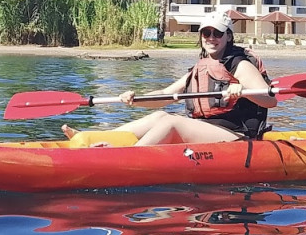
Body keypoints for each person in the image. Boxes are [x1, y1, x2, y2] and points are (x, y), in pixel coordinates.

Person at [62, 12, 277, 146]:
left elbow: (270, 100)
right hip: (207, 130)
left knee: (172, 122)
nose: (211, 38)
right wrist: (136, 99)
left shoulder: (241, 65)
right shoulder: (200, 68)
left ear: (228, 36)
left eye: (217, 33)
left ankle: (123, 158)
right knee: (159, 115)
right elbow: (166, 94)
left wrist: (240, 88)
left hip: (238, 136)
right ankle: (94, 138)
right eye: (206, 33)